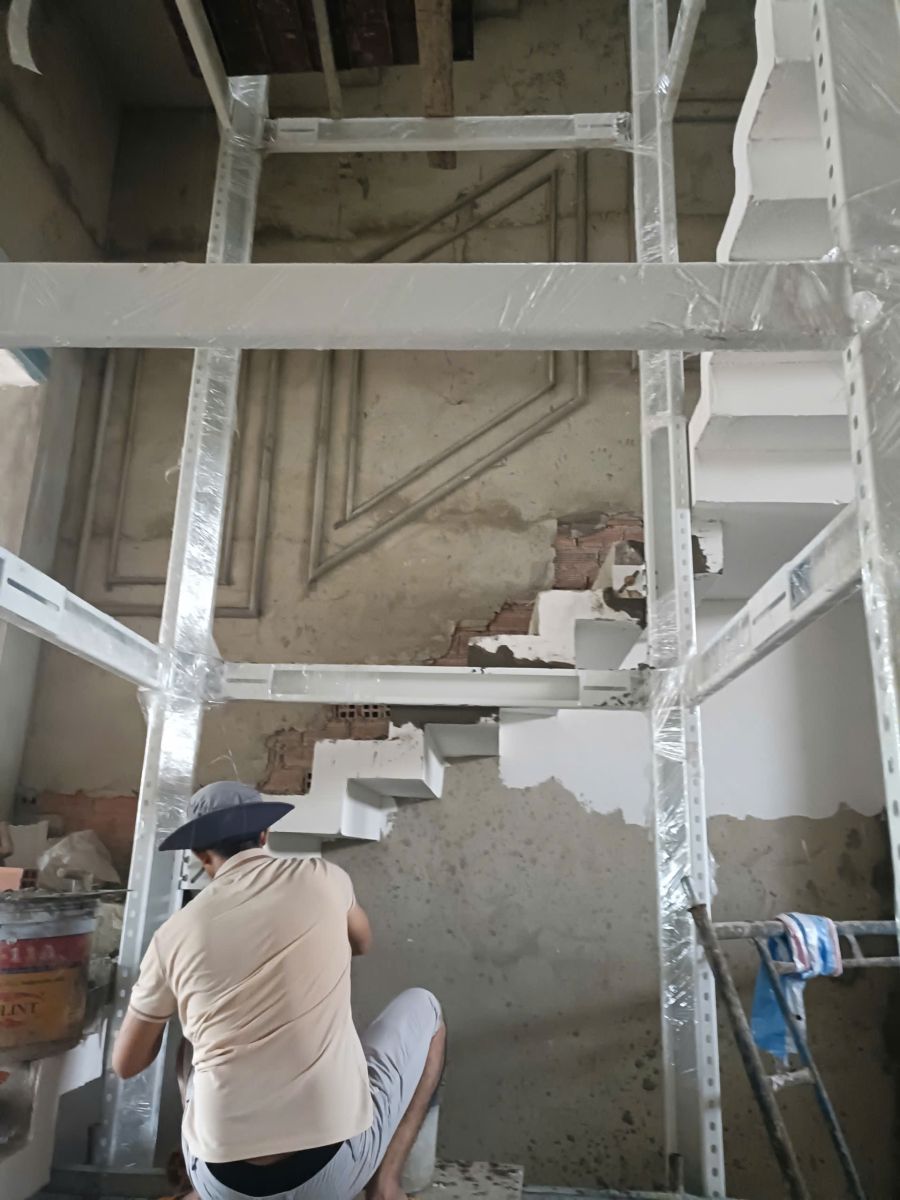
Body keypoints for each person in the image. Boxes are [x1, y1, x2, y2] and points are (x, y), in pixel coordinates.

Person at [112, 781, 446, 1200]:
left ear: (199, 854)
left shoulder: (172, 935)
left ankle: (197, 1189)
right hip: (332, 1174)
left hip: (221, 1184)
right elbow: (362, 942)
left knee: (190, 1046)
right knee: (426, 1009)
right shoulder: (324, 877)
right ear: (264, 835)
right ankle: (385, 1187)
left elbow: (126, 1064)